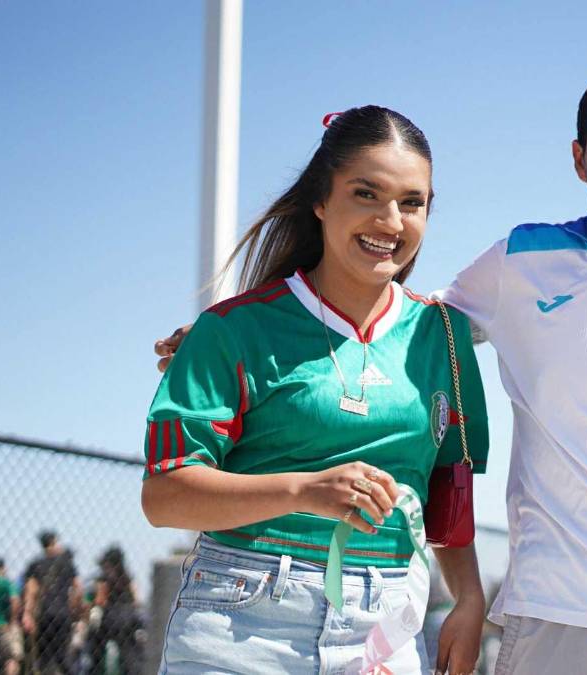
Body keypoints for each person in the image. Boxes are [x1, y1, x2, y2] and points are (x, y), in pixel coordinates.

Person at [157, 64, 587, 674]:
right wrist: (232, 332)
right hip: (550, 618)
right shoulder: (520, 262)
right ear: (579, 158)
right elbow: (393, 314)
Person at [142, 105, 490, 674]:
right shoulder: (233, 330)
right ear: (321, 201)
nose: (390, 221)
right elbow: (164, 495)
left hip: (387, 625)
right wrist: (304, 490)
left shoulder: (444, 337)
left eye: (412, 203)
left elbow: (448, 488)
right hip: (242, 623)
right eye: (366, 194)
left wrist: (469, 597)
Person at [22, 531, 80, 675]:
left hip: (44, 614)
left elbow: (31, 591)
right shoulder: (66, 564)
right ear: (54, 542)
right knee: (63, 656)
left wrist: (27, 614)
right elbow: (78, 589)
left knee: (44, 657)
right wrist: (73, 608)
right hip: (63, 614)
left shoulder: (36, 564)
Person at [88, 547, 141, 675]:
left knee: (96, 647)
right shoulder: (127, 578)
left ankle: (95, 670)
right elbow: (137, 600)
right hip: (128, 617)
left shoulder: (103, 579)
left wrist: (92, 603)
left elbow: (100, 600)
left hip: (110, 618)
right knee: (129, 654)